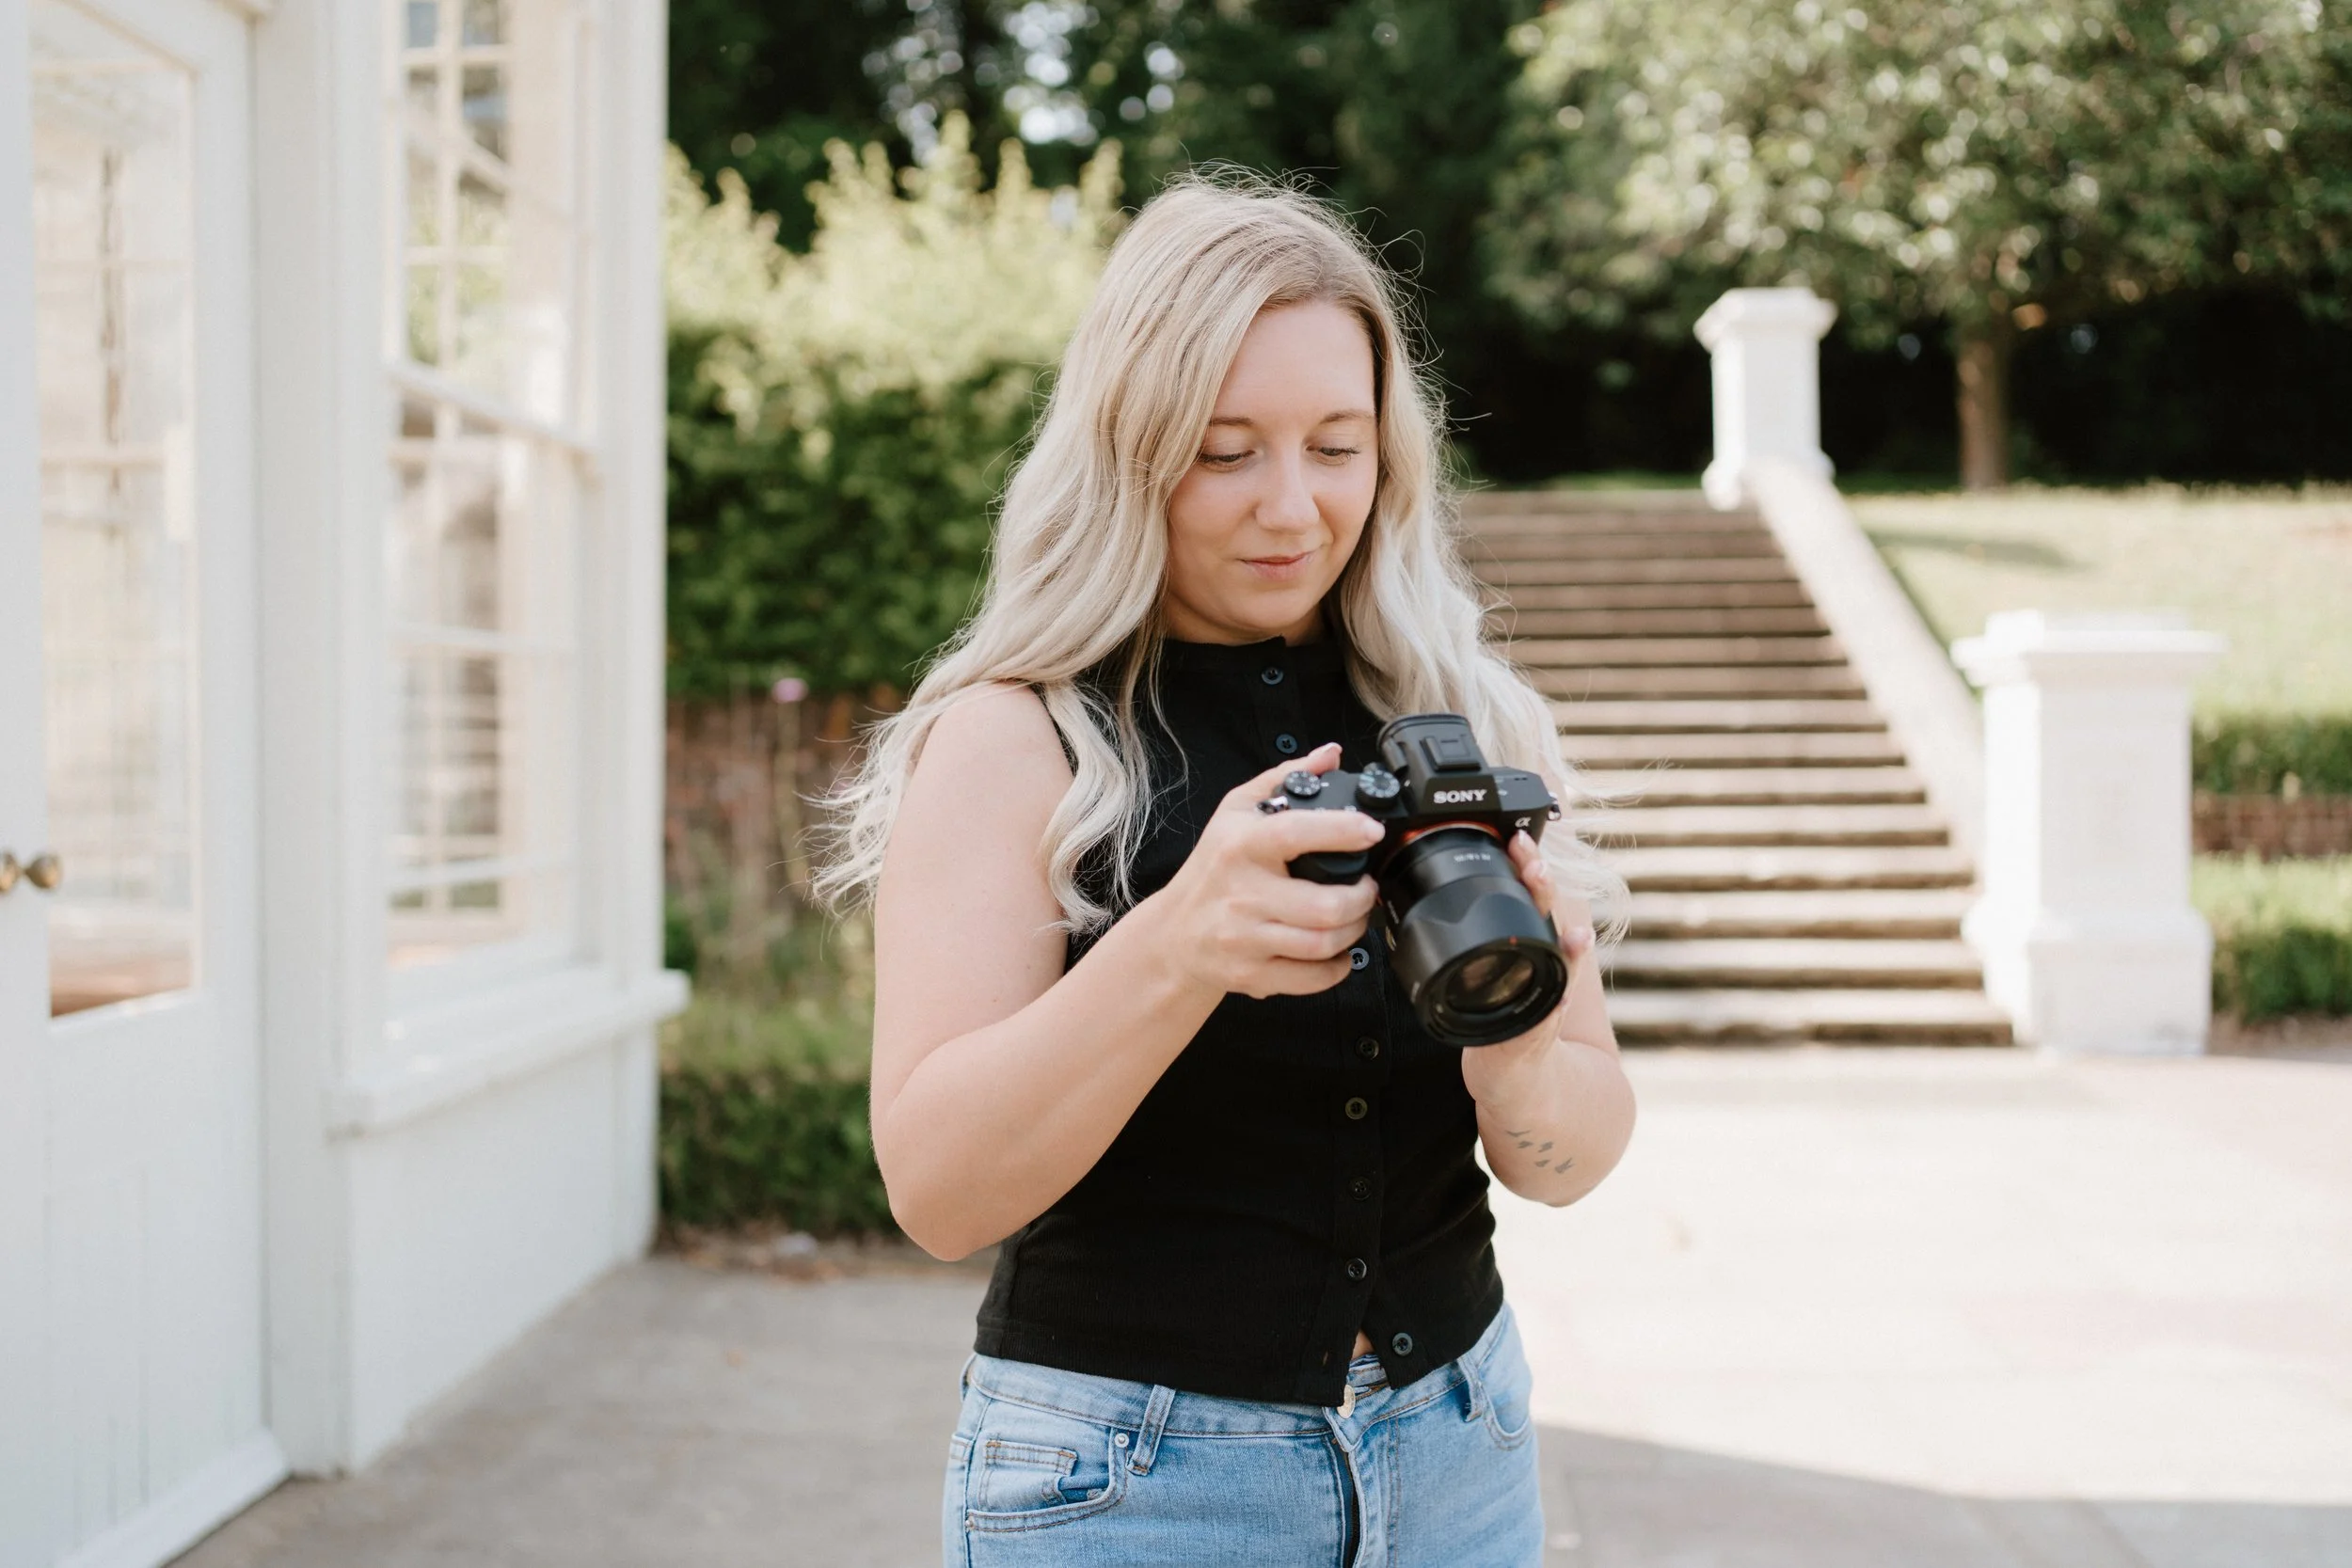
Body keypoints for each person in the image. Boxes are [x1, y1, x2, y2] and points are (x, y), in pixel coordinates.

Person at [816, 173, 1636, 1568]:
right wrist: (1177, 943)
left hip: (1463, 1452)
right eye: (1225, 450)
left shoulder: (1455, 722)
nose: (1293, 507)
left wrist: (1523, 1041)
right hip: (1132, 1484)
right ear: (1133, 450)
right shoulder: (1022, 739)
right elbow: (938, 1193)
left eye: (1337, 444)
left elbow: (1573, 1157)